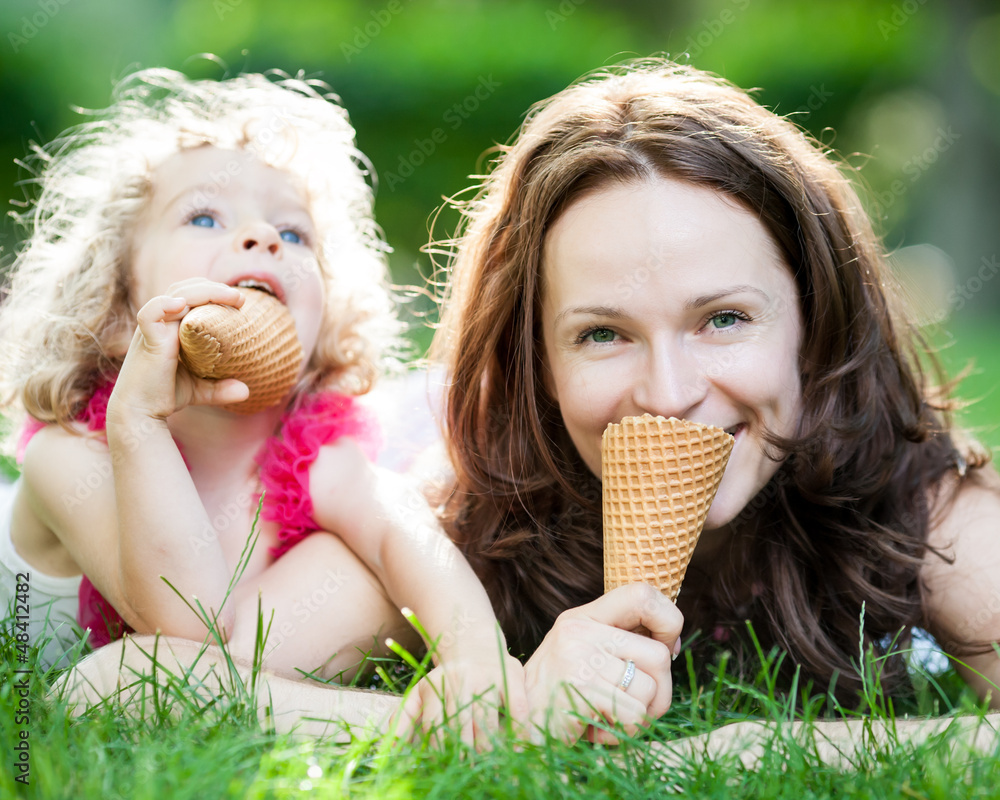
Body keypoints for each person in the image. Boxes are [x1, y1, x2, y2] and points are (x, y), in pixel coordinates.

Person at [56, 58, 1000, 754]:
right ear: (534, 362)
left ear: (814, 321)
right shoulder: (456, 522)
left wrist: (734, 750)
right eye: (601, 334)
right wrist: (488, 720)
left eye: (722, 318)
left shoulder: (914, 507)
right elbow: (126, 686)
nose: (668, 394)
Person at [0, 68, 524, 739]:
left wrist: (481, 665)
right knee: (126, 680)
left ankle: (433, 719)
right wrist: (138, 422)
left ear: (326, 321)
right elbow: (183, 622)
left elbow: (408, 538)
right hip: (112, 632)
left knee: (364, 562)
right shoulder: (70, 454)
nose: (263, 239)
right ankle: (401, 724)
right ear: (118, 310)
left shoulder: (317, 455)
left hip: (206, 656)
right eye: (205, 216)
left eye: (295, 233)